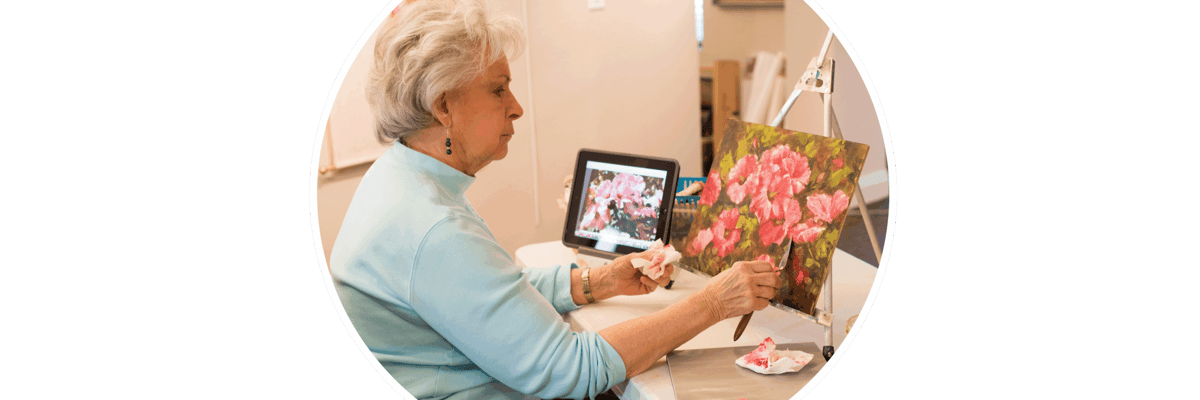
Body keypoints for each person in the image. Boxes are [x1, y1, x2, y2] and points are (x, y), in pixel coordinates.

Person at [328, 1, 782, 399]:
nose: (516, 107)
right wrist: (712, 304)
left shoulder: (400, 178)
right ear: (443, 107)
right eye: (498, 88)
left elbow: (494, 292)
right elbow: (572, 370)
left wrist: (599, 281)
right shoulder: (433, 228)